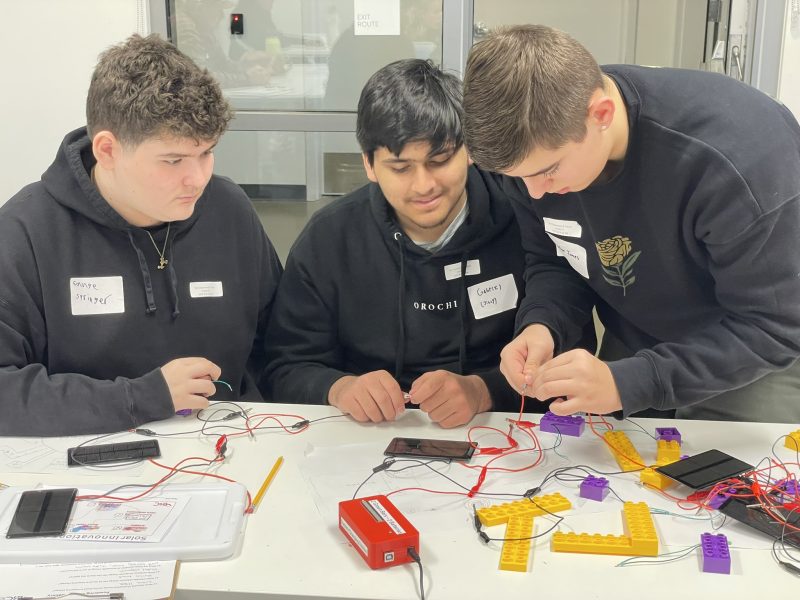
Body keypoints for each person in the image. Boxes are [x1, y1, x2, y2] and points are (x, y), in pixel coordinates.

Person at [462, 24, 800, 423]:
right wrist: (542, 324)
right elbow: (555, 258)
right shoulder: (537, 152)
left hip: (751, 348)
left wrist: (633, 381)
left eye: (548, 171)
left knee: (732, 462)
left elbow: (775, 326)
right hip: (638, 335)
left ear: (601, 115)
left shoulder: (738, 161)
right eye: (518, 178)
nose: (534, 193)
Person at [0, 34, 283, 436]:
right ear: (107, 151)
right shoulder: (25, 232)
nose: (197, 178)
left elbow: (281, 345)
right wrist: (142, 397)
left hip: (229, 442)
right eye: (173, 160)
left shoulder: (229, 209)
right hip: (90, 452)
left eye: (206, 152)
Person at [262, 59, 545, 428]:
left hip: (499, 429)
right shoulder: (329, 239)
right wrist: (339, 388)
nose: (424, 185)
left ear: (470, 150)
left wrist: (485, 390)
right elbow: (283, 366)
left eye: (440, 160)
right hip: (367, 433)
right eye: (400, 168)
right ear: (368, 164)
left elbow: (565, 351)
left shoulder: (522, 220)